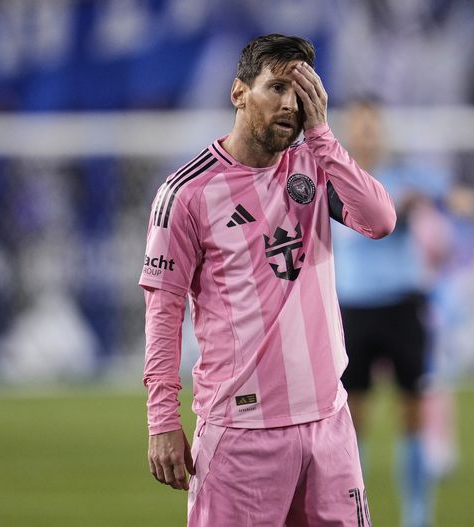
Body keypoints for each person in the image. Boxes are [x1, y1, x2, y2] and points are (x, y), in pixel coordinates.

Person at [139, 34, 396, 526]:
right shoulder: (186, 193)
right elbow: (163, 312)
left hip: (328, 423)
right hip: (241, 433)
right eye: (276, 87)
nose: (289, 104)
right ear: (238, 92)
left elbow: (379, 220)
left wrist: (323, 137)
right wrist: (162, 418)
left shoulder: (314, 166)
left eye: (300, 94)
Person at [333, 99, 451, 527]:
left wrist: (440, 199)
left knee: (412, 411)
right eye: (359, 124)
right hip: (353, 308)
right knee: (352, 421)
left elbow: (445, 193)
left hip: (403, 304)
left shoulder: (407, 176)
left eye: (372, 124)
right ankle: (352, 512)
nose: (366, 132)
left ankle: (418, 515)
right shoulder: (331, 176)